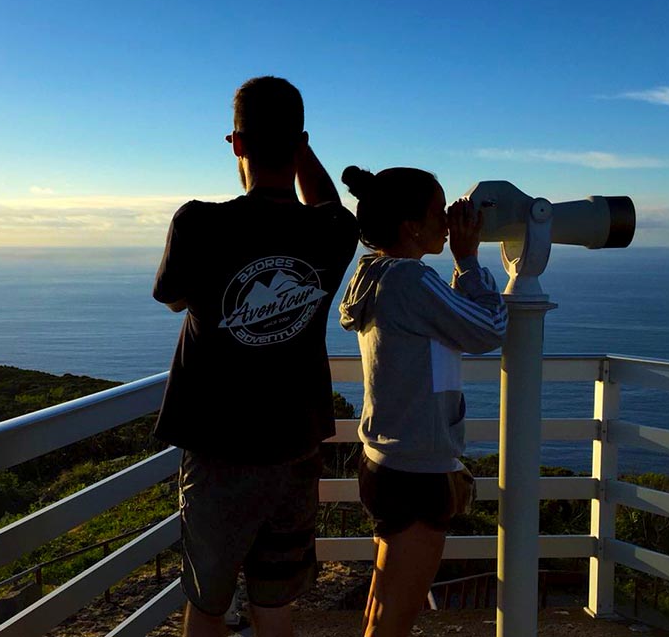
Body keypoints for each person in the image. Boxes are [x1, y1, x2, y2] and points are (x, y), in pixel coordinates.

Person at [152, 76, 358, 637]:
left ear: (236, 144)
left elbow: (174, 299)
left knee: (208, 606)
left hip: (220, 448)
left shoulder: (199, 223)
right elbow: (327, 203)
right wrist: (300, 148)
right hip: (295, 448)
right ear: (301, 144)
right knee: (274, 607)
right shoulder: (332, 231)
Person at [338, 165, 507, 637]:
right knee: (395, 617)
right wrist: (468, 259)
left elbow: (444, 322)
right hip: (416, 467)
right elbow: (489, 328)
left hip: (383, 460)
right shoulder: (410, 279)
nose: (450, 220)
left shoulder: (372, 273)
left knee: (381, 604)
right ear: (411, 226)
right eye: (439, 211)